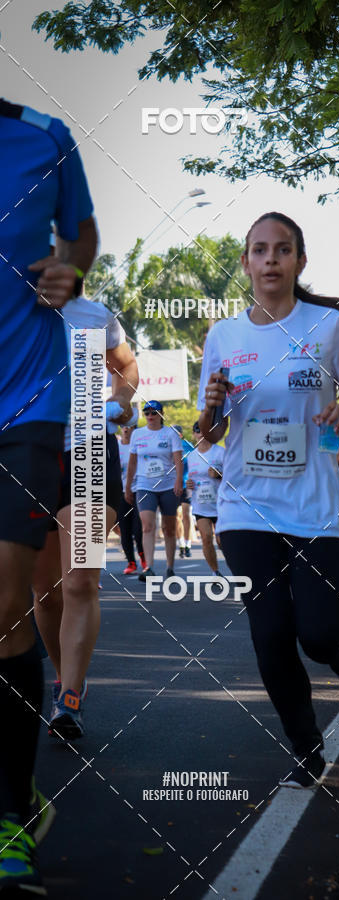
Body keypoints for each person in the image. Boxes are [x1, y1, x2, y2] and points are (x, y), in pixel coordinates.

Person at [197, 212, 339, 788]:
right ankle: (305, 746)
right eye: (260, 250)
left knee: (318, 633)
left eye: (283, 250)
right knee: (269, 635)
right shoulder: (223, 336)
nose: (271, 260)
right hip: (246, 510)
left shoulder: (326, 328)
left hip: (316, 507)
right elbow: (207, 433)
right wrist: (212, 408)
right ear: (245, 262)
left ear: (299, 261)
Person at [0, 97, 96, 893]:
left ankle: (7, 813)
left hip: (33, 406)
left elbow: (82, 233)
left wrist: (74, 268)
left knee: (20, 599)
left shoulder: (43, 137)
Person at [31, 294, 138, 740]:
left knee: (80, 580)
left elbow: (126, 366)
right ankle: (64, 678)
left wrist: (122, 398)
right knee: (45, 591)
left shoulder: (94, 315)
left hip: (89, 450)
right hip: (27, 452)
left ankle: (69, 698)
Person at [125, 402, 183, 580]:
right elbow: (132, 462)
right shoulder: (137, 434)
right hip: (144, 486)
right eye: (147, 412)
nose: (151, 416)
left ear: (161, 414)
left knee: (169, 528)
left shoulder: (170, 434)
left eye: (154, 412)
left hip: (167, 485)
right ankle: (148, 567)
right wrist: (128, 486)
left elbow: (178, 460)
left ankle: (170, 567)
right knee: (147, 525)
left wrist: (179, 481)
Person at [186, 422, 224, 576]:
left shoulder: (220, 452)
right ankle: (215, 572)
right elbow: (191, 479)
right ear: (194, 434)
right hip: (200, 504)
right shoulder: (191, 456)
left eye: (204, 431)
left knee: (223, 542)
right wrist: (189, 484)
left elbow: (233, 478)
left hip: (221, 504)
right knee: (206, 538)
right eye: (197, 432)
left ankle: (237, 569)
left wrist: (219, 474)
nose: (201, 435)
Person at [118, 423, 146, 574]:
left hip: (139, 490)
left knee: (138, 528)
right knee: (125, 529)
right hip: (121, 493)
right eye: (124, 426)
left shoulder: (140, 446)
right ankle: (131, 562)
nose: (126, 429)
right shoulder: (116, 446)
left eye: (130, 427)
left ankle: (143, 558)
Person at [173, 424, 195, 559]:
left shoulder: (187, 446)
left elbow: (196, 463)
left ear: (180, 435)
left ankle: (188, 545)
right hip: (173, 485)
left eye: (176, 433)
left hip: (186, 484)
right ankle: (181, 544)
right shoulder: (167, 447)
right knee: (176, 516)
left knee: (186, 514)